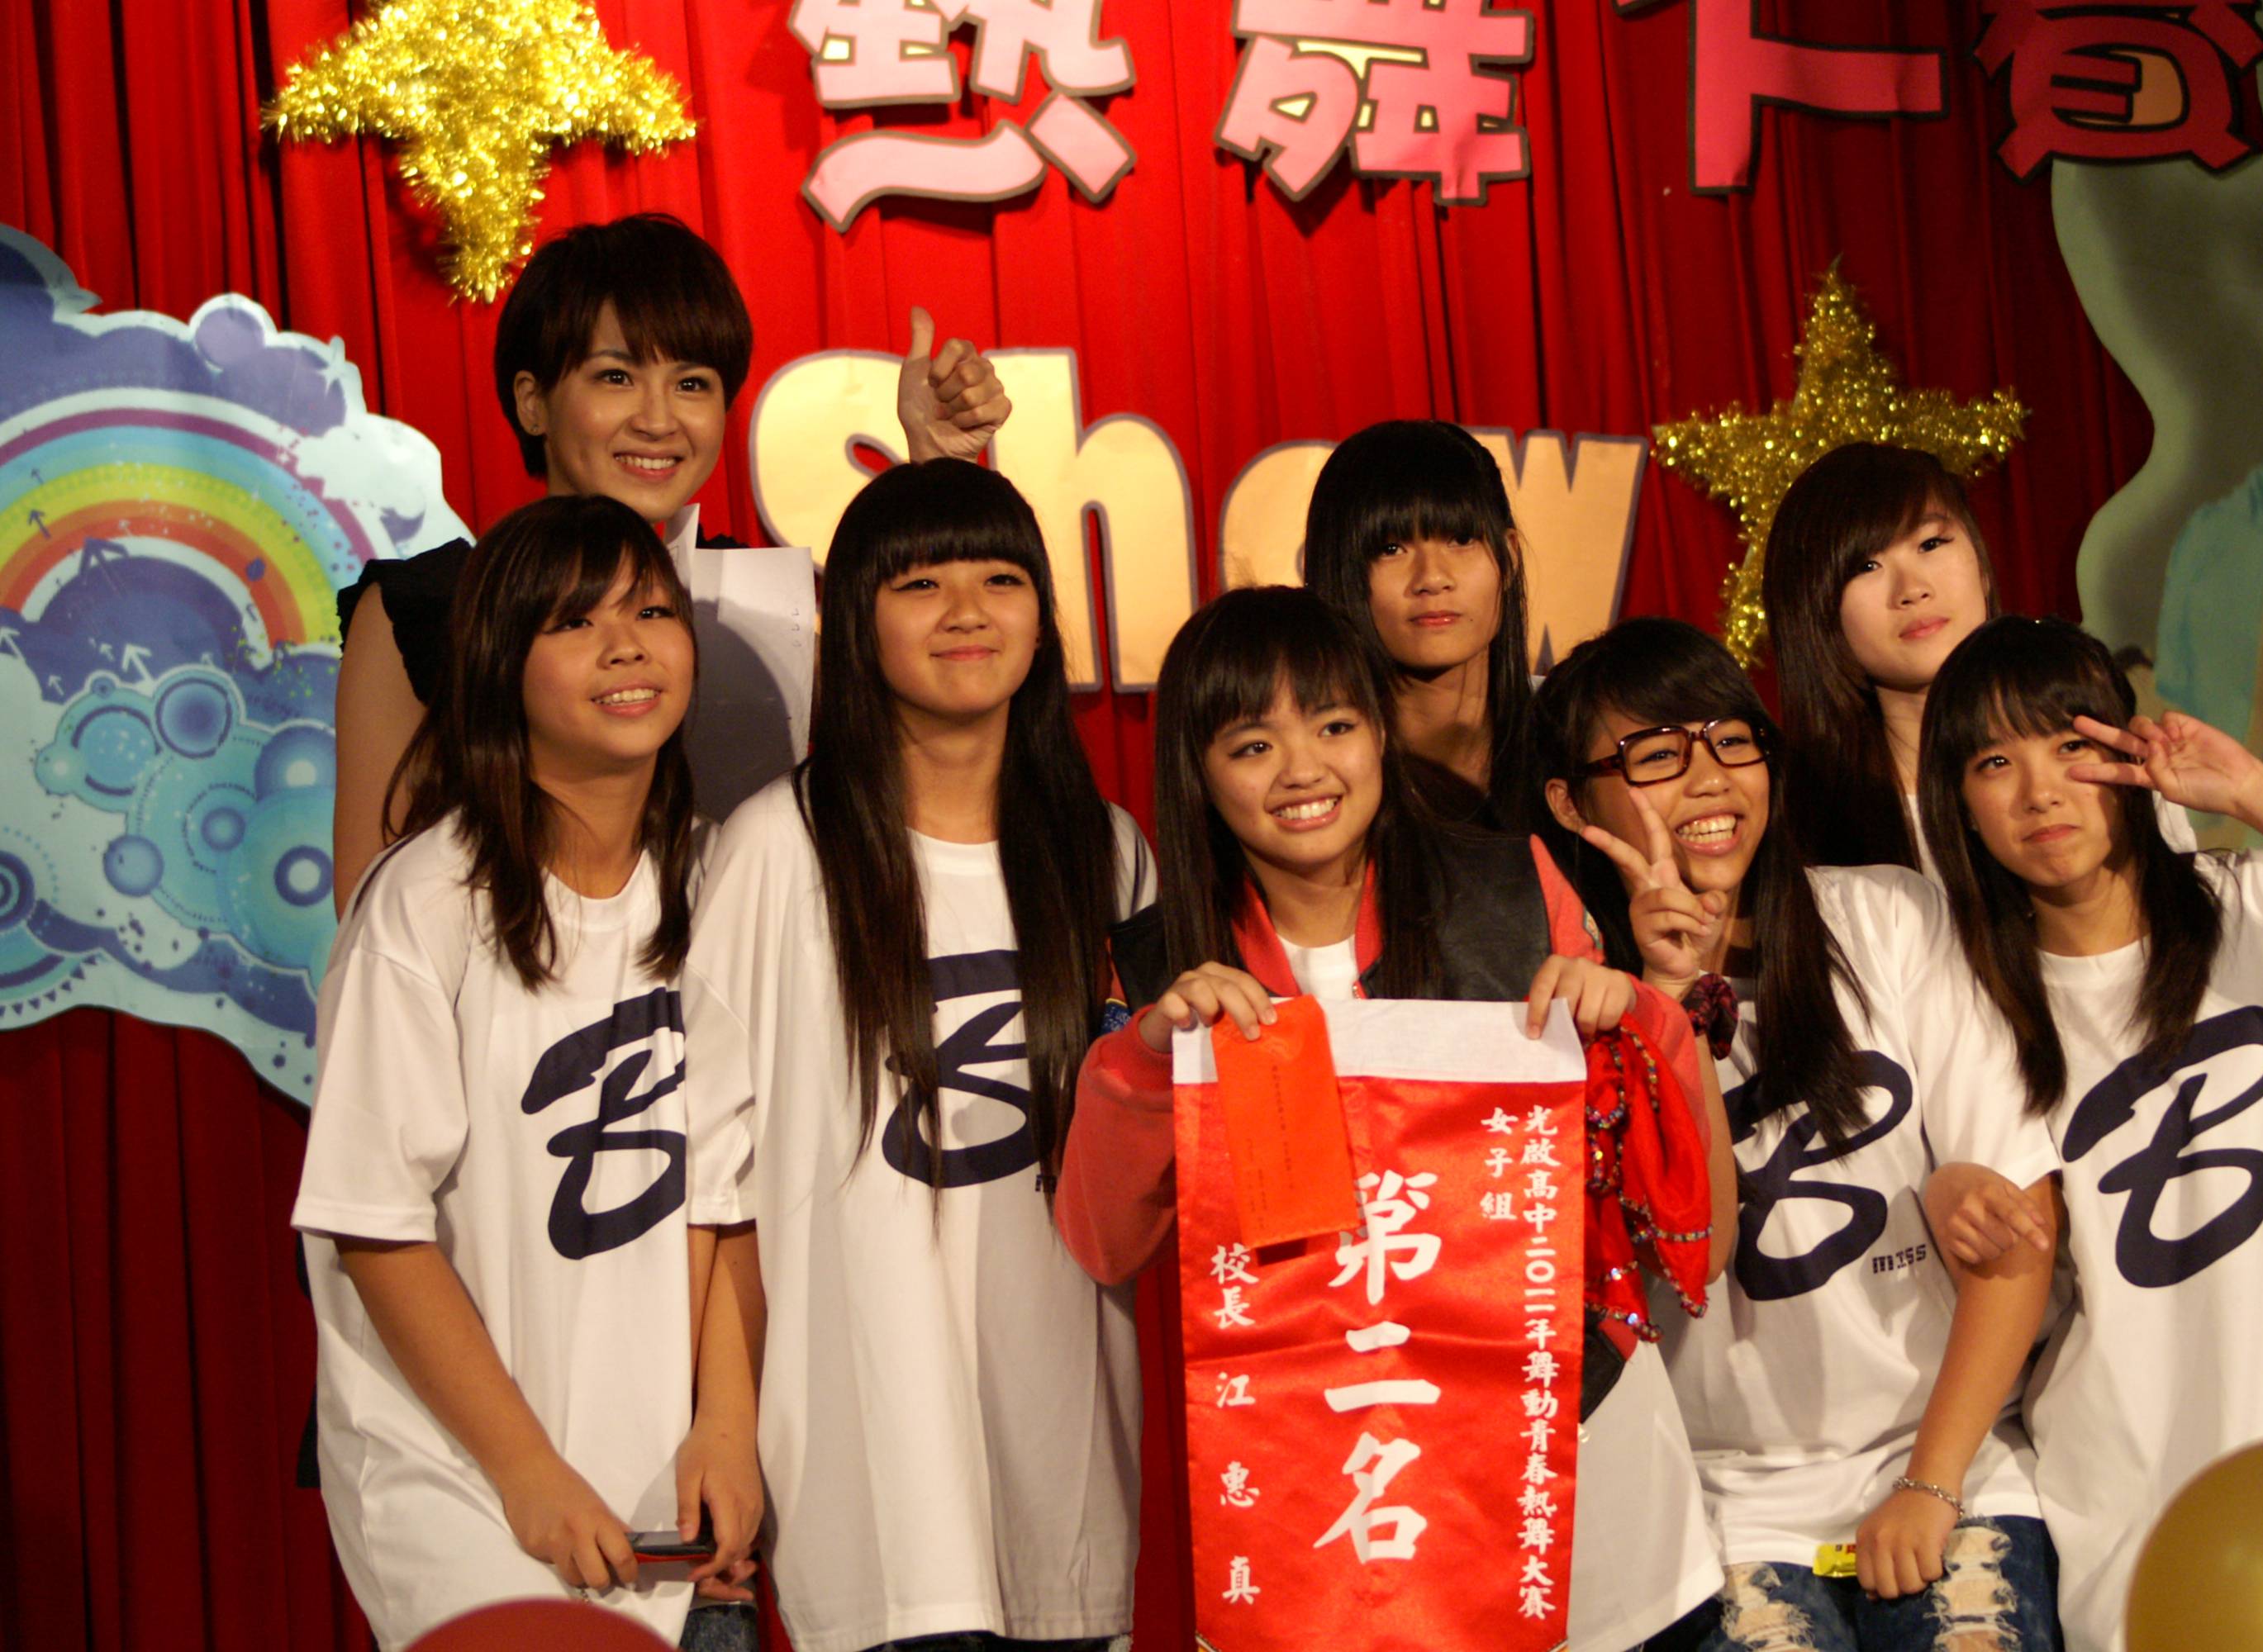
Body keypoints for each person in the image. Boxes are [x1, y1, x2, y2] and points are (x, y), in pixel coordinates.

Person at [1055, 584, 1730, 1652]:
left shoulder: (1512, 888)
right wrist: (1148, 1056)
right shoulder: (1156, 967)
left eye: (1333, 725)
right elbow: (1103, 1239)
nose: (1303, 770)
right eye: (1252, 745)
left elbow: (1681, 1208)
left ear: (1379, 731)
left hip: (1563, 1451)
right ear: (1197, 771)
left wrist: (1638, 1012)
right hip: (1325, 1501)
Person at [1914, 616, 2263, 1652]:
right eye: (1992, 762)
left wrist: (2250, 791)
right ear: (1955, 801)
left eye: (2069, 744)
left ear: (2127, 755)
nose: (2038, 790)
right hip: (2141, 1509)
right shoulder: (1975, 1003)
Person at [681, 460, 1154, 1652]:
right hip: (870, 1499)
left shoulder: (1107, 855)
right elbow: (712, 1184)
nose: (966, 611)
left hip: (1065, 1480)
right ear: (857, 621)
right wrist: (721, 1426)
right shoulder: (777, 850)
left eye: (1001, 578)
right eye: (921, 582)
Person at [1533, 617, 2068, 1652]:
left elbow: (2018, 1223)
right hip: (1720, 1503)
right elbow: (1682, 1257)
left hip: (1946, 1457)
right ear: (1568, 800)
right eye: (1655, 754)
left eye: (1731, 740)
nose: (1708, 780)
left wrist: (1930, 1481)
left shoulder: (1887, 917)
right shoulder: (1568, 1007)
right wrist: (1667, 996)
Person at [292, 495, 759, 1651]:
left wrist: (727, 1425)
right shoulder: (425, 902)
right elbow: (375, 1225)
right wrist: (526, 1469)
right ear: (500, 664)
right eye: (575, 621)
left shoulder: (718, 888)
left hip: (655, 1487)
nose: (625, 646)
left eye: (651, 611)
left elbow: (726, 1201)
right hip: (462, 1477)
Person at [331, 211, 1011, 906]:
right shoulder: (428, 605)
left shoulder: (756, 597)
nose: (658, 420)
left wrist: (936, 470)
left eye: (691, 384)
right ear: (533, 402)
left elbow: (924, 758)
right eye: (616, 376)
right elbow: (370, 896)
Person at [1761, 442, 2192, 871]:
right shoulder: (1794, 827)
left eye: (1931, 543)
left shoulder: (2110, 767)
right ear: (1814, 612)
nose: (1912, 589)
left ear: (1982, 565)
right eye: (1866, 567)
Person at [1301, 418, 1538, 827]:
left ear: (1510, 558)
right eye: (1391, 548)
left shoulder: (1574, 733)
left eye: (1461, 539)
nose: (1432, 578)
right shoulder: (1309, 776)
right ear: (1337, 570)